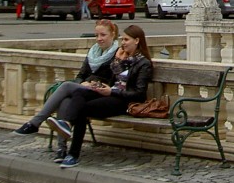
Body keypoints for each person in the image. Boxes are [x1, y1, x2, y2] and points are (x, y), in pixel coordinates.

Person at [56, 24, 153, 168]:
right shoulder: (123, 58)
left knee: (83, 109)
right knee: (79, 91)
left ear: (137, 41)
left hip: (122, 101)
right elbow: (112, 80)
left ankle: (73, 154)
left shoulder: (143, 63)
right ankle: (67, 124)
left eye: (126, 39)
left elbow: (139, 94)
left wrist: (112, 92)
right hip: (109, 93)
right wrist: (99, 84)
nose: (123, 43)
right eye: (122, 39)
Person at [12, 19, 120, 147]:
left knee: (66, 86)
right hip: (84, 90)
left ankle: (35, 122)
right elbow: (80, 75)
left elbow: (114, 80)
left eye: (103, 35)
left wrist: (91, 83)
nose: (99, 39)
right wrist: (82, 83)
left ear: (112, 34)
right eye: (96, 35)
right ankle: (61, 148)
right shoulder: (93, 52)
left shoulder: (118, 53)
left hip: (100, 93)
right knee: (65, 101)